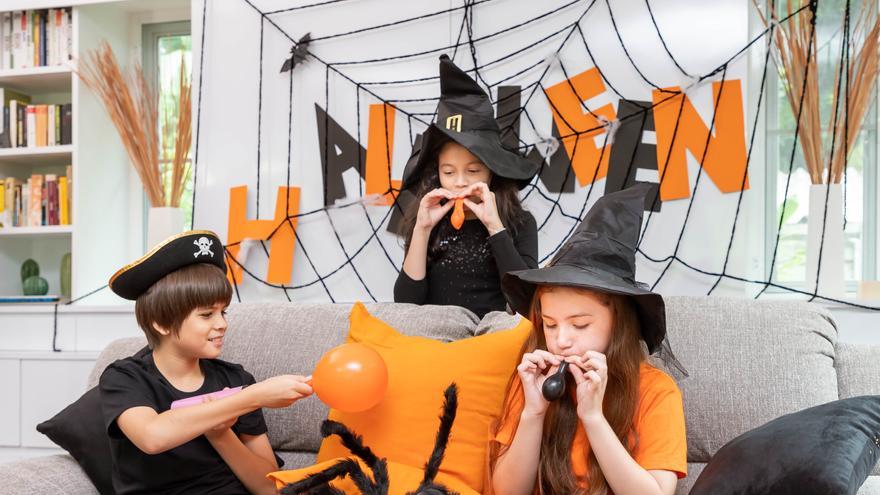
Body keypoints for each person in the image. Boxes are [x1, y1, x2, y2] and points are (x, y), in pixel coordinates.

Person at [490, 185, 687, 495]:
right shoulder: (535, 382)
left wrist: (593, 418)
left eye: (580, 325)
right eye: (551, 325)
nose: (561, 340)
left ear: (618, 324)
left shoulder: (656, 391)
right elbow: (507, 492)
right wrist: (533, 413)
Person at [100, 230, 313, 494]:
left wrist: (221, 434)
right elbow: (153, 437)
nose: (222, 323)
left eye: (222, 312)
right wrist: (252, 397)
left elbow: (270, 489)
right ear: (162, 322)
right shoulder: (125, 377)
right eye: (206, 315)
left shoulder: (236, 380)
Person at [395, 54, 540, 318]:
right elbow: (406, 305)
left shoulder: (521, 223)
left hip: (488, 339)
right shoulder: (428, 220)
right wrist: (422, 229)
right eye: (448, 171)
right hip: (435, 336)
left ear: (492, 172)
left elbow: (526, 302)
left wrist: (495, 226)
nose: (460, 181)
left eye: (473, 171)